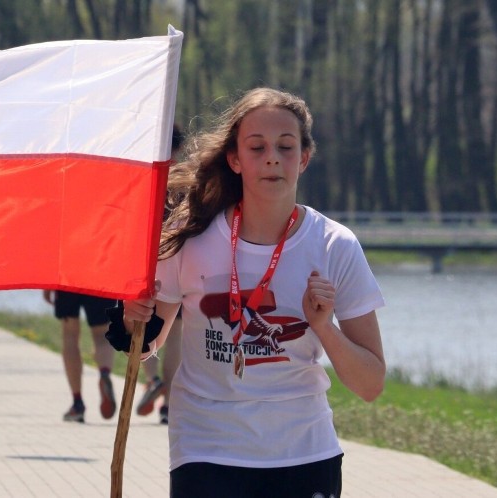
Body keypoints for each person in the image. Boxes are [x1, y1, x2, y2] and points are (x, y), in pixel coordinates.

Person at [116, 88, 386, 497]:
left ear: (304, 158)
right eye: (257, 147)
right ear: (235, 160)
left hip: (303, 454)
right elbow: (143, 345)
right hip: (206, 450)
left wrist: (324, 328)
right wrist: (130, 320)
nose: (272, 158)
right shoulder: (191, 237)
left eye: (286, 146)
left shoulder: (334, 245)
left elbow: (370, 385)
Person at [136, 124, 185, 425]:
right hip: (176, 265)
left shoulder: (143, 175)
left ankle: (152, 378)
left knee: (141, 329)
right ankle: (168, 399)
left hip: (144, 268)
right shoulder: (185, 183)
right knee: (174, 334)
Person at [44, 290, 118, 423]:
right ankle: (104, 373)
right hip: (100, 275)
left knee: (70, 334)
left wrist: (48, 287)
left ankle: (77, 403)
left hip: (68, 278)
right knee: (102, 334)